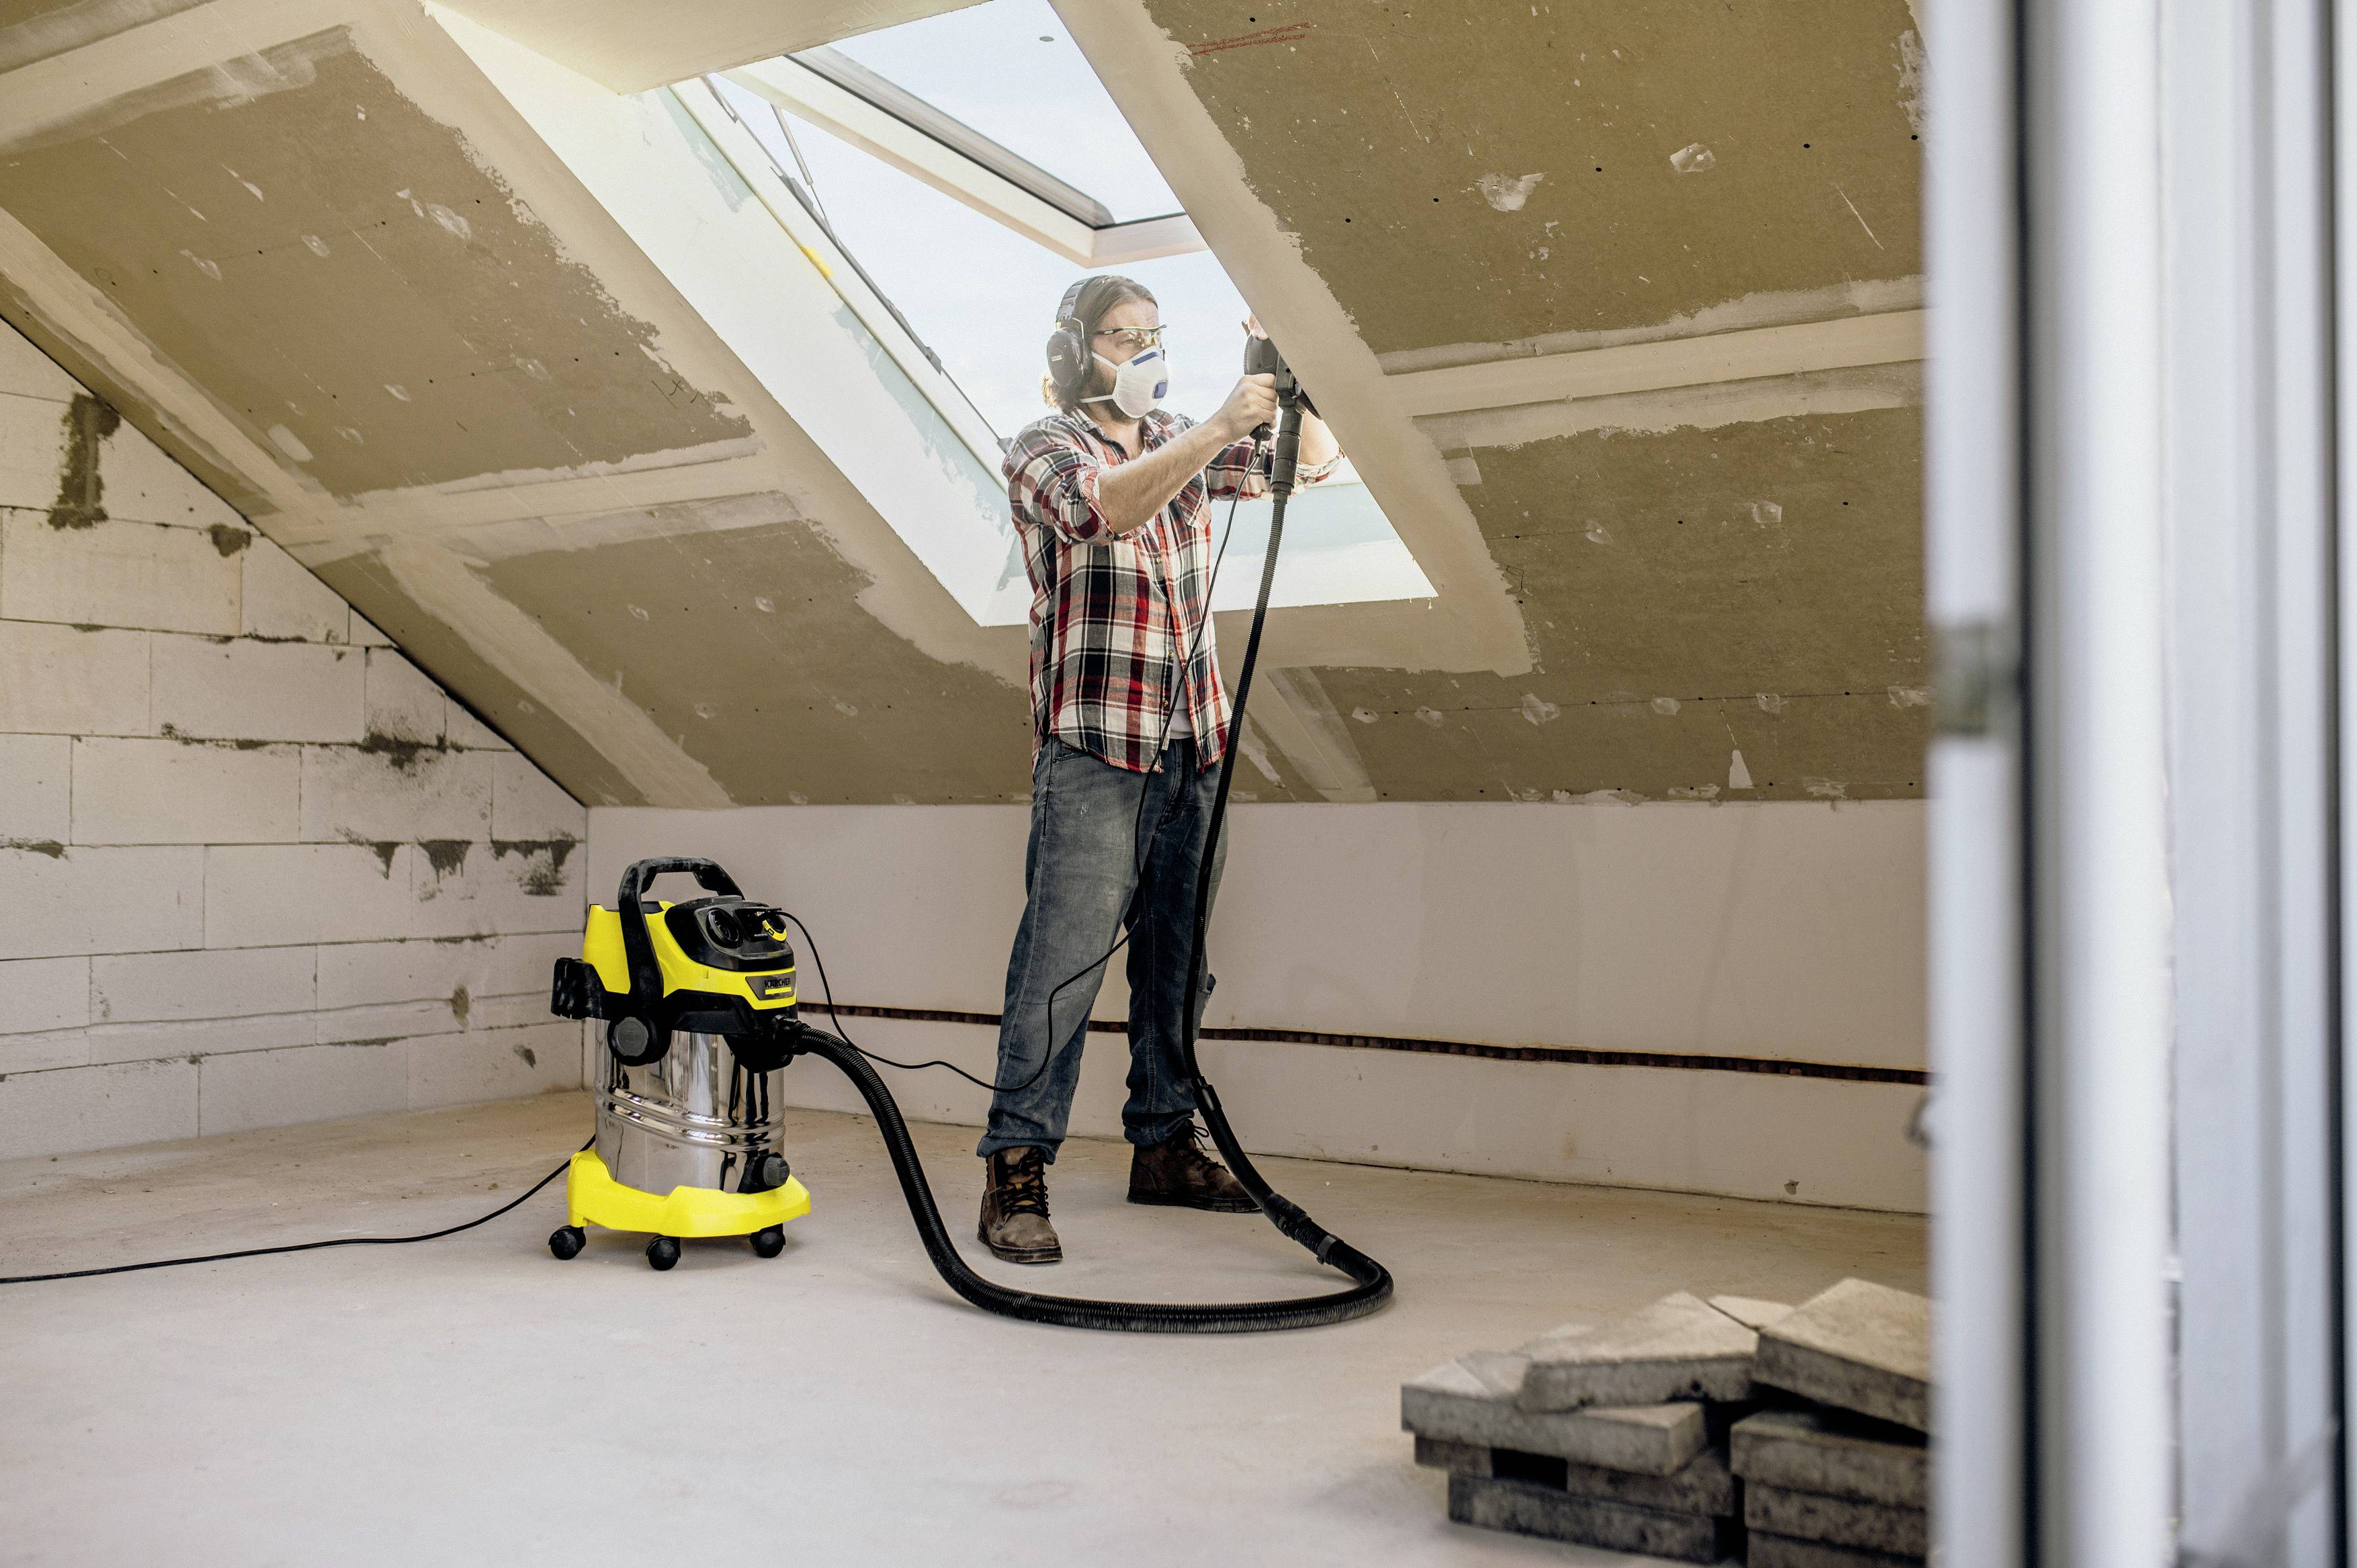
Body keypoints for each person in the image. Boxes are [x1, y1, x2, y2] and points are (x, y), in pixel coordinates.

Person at [976, 274, 1342, 1264]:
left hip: (1196, 746)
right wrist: (1217, 422)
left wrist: (1278, 369)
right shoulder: (1042, 449)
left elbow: (1311, 465)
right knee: (1060, 967)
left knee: (1179, 965)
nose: (1140, 351)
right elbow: (1106, 511)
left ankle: (1165, 1144)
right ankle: (1016, 1169)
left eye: (1151, 333)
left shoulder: (1189, 436)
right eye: (1117, 336)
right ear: (1071, 353)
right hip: (1096, 750)